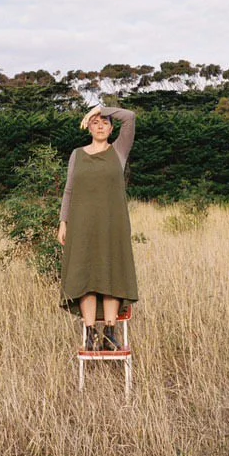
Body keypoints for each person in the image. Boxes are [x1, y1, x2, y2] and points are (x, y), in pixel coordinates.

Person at [58, 104, 138, 351]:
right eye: (95, 122)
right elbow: (69, 190)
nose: (101, 126)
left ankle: (110, 333)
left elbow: (130, 117)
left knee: (111, 272)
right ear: (88, 127)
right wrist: (63, 222)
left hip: (113, 224)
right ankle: (90, 332)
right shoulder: (77, 154)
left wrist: (100, 108)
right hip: (81, 224)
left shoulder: (119, 151)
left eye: (105, 122)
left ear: (112, 129)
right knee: (86, 275)